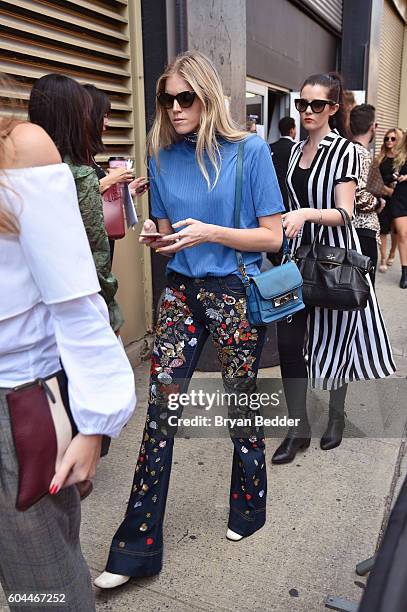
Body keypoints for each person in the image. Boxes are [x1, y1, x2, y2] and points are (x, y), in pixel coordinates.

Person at [94, 50, 284, 589]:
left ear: (207, 97)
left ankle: (249, 508)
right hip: (180, 288)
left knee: (239, 405)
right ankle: (134, 550)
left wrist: (212, 233)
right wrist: (155, 234)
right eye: (167, 98)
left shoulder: (248, 151)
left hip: (235, 287)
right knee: (160, 414)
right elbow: (162, 227)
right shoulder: (160, 154)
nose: (175, 108)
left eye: (186, 98)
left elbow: (272, 236)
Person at [0, 108, 135, 607]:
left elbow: (77, 298)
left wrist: (96, 423)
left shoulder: (22, 149)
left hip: (17, 407)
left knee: (45, 591)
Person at [272, 72, 395, 465]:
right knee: (290, 344)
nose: (308, 111)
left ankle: (336, 414)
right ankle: (298, 428)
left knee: (336, 339)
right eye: (301, 104)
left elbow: (345, 212)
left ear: (333, 108)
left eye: (317, 105)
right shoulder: (291, 151)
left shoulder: (345, 152)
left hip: (332, 258)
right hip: (295, 257)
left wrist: (306, 213)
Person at [28, 74, 123, 334]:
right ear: (72, 116)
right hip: (76, 300)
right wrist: (110, 305)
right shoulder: (80, 173)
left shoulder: (20, 166)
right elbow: (97, 251)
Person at [84, 84, 149, 263]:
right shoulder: (74, 159)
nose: (107, 123)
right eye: (103, 116)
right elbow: (78, 198)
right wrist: (112, 178)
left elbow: (96, 202)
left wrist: (127, 193)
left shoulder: (89, 156)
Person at [349, 103, 383, 285]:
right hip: (363, 230)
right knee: (365, 291)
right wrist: (378, 203)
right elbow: (357, 195)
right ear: (372, 127)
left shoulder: (344, 151)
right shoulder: (361, 153)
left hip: (347, 230)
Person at [376, 128, 403, 272]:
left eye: (392, 139)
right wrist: (386, 190)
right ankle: (383, 258)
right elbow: (375, 179)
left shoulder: (402, 159)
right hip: (383, 197)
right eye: (387, 138)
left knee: (396, 230)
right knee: (383, 229)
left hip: (398, 199)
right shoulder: (380, 158)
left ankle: (393, 252)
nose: (389, 141)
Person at [389, 130, 407, 288]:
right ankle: (405, 272)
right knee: (402, 233)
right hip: (400, 197)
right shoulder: (400, 154)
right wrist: (396, 175)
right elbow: (392, 171)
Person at [270, 116, 297, 211]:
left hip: (271, 191)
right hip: (289, 193)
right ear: (292, 130)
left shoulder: (270, 147)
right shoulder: (296, 148)